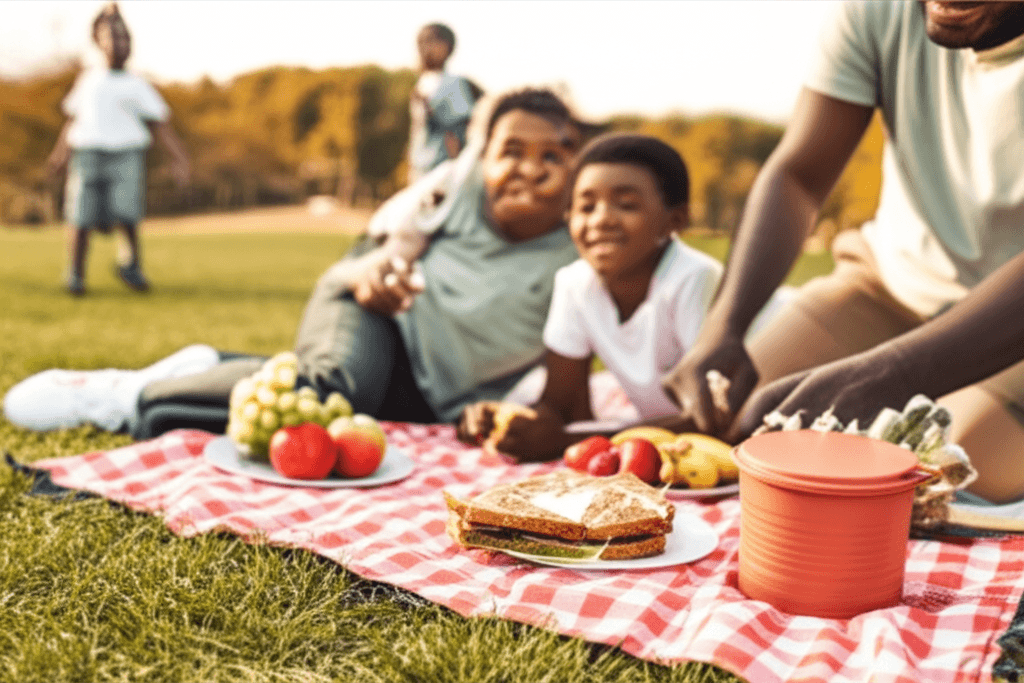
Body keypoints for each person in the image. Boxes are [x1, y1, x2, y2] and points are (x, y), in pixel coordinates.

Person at [5, 88, 584, 440]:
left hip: (435, 394)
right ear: (482, 159)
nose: (530, 169)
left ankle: (205, 367)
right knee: (335, 389)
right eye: (511, 151)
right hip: (375, 312)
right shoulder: (453, 187)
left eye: (552, 155)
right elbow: (395, 248)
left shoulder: (583, 243)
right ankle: (119, 396)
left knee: (360, 416)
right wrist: (382, 274)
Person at [660, 1, 1024, 504]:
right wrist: (724, 326)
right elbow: (799, 177)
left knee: (934, 483)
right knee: (733, 430)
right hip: (887, 287)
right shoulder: (878, 11)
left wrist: (891, 374)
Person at [455, 133, 792, 462]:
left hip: (795, 384)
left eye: (626, 204)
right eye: (586, 207)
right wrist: (503, 420)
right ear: (569, 219)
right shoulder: (574, 284)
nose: (601, 219)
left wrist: (563, 441)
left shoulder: (693, 279)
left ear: (674, 221)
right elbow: (560, 406)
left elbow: (712, 419)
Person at [45, 3, 190, 296]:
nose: (118, 44)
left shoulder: (136, 84)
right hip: (87, 154)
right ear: (99, 43)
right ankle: (75, 274)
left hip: (126, 154)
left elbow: (160, 124)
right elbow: (73, 120)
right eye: (112, 38)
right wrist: (60, 155)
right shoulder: (89, 80)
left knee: (127, 212)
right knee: (80, 215)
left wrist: (180, 159)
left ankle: (131, 264)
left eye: (124, 39)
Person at [406, 22, 481, 183]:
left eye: (434, 42)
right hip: (419, 168)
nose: (427, 47)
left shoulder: (453, 84)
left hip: (440, 170)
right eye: (423, 42)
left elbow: (459, 129)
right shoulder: (422, 82)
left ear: (448, 48)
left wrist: (457, 170)